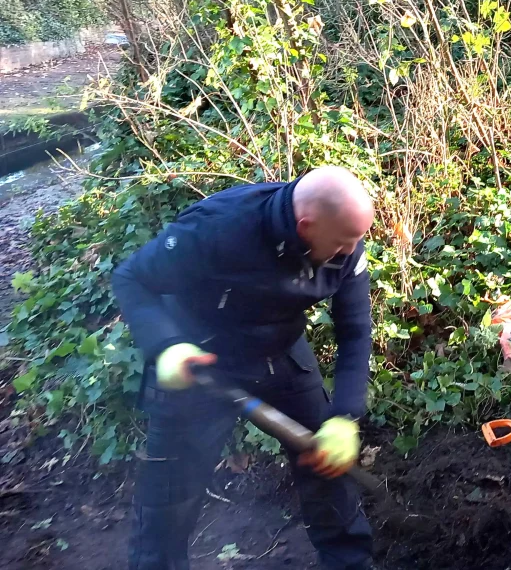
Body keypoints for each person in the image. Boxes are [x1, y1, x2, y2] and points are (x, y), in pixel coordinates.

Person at [113, 166, 377, 570]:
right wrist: (165, 346)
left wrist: (344, 416)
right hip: (200, 358)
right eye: (344, 243)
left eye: (358, 239)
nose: (353, 250)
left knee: (327, 463)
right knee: (171, 495)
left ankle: (349, 563)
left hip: (280, 349)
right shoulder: (217, 230)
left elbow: (356, 330)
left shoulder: (346, 246)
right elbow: (132, 278)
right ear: (306, 227)